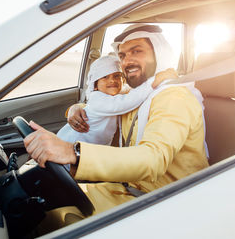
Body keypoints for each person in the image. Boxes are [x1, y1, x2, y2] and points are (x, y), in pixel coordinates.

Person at [23, 24, 209, 223]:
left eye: (137, 51)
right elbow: (103, 102)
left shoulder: (174, 97)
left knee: (49, 215)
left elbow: (152, 159)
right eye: (122, 56)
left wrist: (72, 152)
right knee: (40, 200)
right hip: (127, 188)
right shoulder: (136, 95)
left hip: (166, 200)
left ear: (159, 54)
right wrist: (76, 108)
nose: (127, 61)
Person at [57, 54, 177, 146]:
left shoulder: (112, 95)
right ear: (95, 85)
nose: (112, 81)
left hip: (91, 150)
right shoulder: (99, 100)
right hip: (71, 146)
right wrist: (154, 81)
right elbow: (128, 101)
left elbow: (128, 91)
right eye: (104, 77)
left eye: (116, 76)